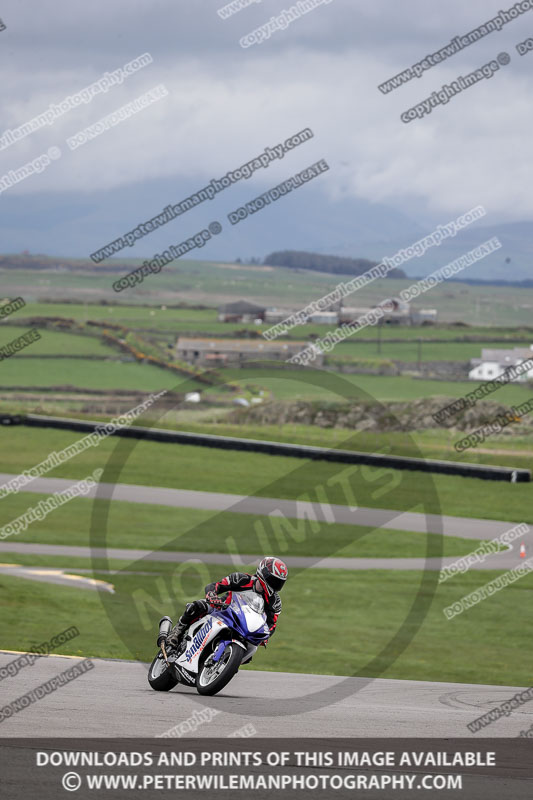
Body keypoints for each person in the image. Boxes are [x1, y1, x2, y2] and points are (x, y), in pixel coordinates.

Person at [165, 557, 288, 651]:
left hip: (244, 626)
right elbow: (215, 586)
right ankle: (178, 631)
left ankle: (227, 663)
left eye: (279, 583)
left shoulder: (274, 602)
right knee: (197, 606)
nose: (276, 585)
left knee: (252, 648)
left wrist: (264, 636)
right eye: (274, 580)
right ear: (263, 573)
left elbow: (271, 624)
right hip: (222, 610)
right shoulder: (241, 579)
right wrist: (212, 595)